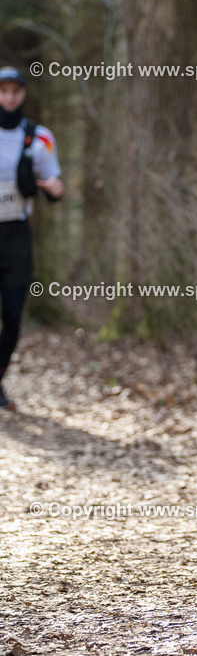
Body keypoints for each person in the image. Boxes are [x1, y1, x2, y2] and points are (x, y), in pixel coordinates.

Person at [0, 67, 64, 411]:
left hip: (16, 236)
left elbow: (54, 184)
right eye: (3, 91)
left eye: (15, 91)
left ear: (23, 94)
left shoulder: (38, 137)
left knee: (12, 315)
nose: (8, 97)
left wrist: (55, 189)